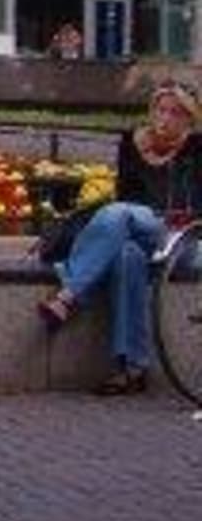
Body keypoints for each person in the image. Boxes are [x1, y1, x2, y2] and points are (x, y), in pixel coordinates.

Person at [37, 78, 202, 394]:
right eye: (161, 110)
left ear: (189, 119)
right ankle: (132, 368)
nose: (166, 118)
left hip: (183, 238)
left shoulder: (197, 148)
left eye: (176, 113)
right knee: (126, 255)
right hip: (143, 230)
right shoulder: (133, 144)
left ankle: (68, 295)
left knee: (118, 213)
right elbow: (128, 194)